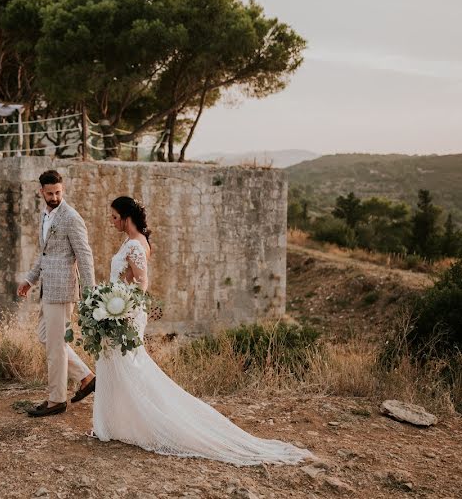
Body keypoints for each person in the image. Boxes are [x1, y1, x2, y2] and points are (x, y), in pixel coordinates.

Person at [91, 196, 312, 466]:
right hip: (115, 308)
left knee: (131, 366)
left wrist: (120, 309)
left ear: (126, 217)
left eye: (114, 217)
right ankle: (117, 423)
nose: (111, 222)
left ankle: (148, 422)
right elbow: (124, 278)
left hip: (125, 313)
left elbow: (142, 284)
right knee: (119, 364)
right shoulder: (130, 241)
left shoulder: (136, 245)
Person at [17, 170, 97, 417]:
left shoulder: (71, 218)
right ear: (41, 191)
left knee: (55, 347)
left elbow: (84, 256)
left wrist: (90, 291)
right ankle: (86, 377)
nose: (54, 197)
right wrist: (30, 280)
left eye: (58, 192)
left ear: (63, 190)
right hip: (46, 289)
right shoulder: (45, 215)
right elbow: (45, 255)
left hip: (62, 291)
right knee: (47, 338)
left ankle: (56, 400)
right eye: (50, 193)